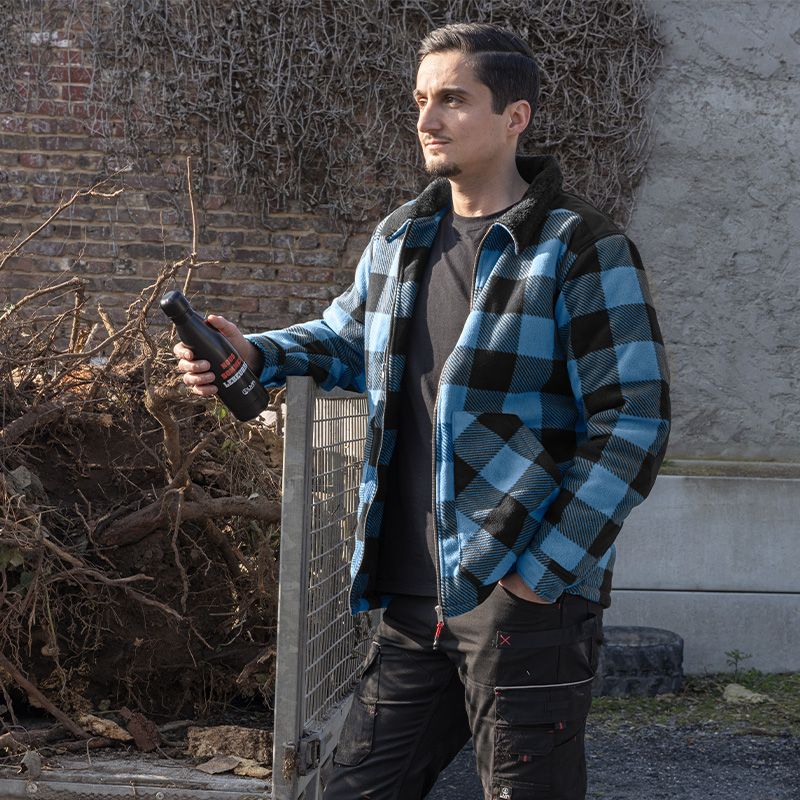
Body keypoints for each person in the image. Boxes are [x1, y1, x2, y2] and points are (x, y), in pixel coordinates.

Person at [174, 22, 671, 800]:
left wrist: (543, 572)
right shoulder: (403, 237)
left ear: (515, 117)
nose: (426, 120)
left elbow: (633, 420)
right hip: (412, 597)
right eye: (419, 100)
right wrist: (254, 353)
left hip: (520, 600)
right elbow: (344, 340)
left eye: (451, 100)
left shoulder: (577, 248)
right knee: (349, 789)